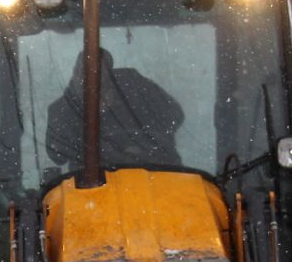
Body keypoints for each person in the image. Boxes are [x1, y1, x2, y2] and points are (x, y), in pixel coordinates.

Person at [45, 48, 187, 174]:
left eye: (98, 69)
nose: (90, 75)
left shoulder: (136, 88)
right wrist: (101, 154)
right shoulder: (62, 110)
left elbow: (175, 115)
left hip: (157, 175)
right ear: (75, 71)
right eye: (83, 70)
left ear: (110, 70)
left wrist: (143, 145)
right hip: (90, 186)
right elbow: (57, 155)